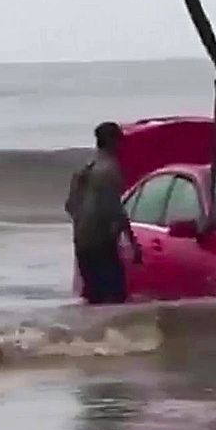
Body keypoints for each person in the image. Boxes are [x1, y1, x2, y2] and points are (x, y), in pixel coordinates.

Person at [65, 121, 140, 304]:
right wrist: (132, 242)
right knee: (115, 297)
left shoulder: (84, 169)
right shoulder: (110, 170)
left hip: (82, 242)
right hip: (101, 243)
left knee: (93, 298)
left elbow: (70, 206)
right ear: (113, 141)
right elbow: (115, 211)